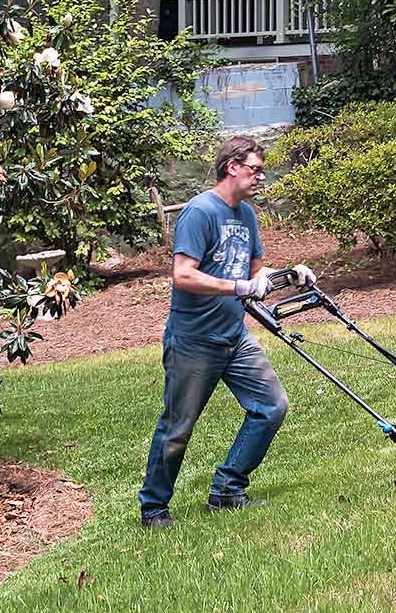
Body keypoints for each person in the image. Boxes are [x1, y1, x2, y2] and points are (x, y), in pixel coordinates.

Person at [138, 135, 315, 527]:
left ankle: (227, 488)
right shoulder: (200, 212)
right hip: (193, 340)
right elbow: (183, 275)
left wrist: (292, 274)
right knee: (178, 427)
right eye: (255, 169)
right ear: (232, 166)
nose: (260, 177)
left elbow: (253, 274)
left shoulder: (246, 216)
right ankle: (153, 507)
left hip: (234, 336)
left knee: (271, 406)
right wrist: (238, 288)